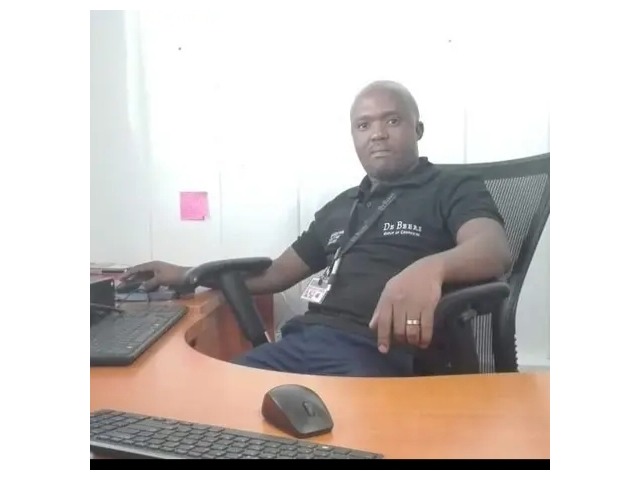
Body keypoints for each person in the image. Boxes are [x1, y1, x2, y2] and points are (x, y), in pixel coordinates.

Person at [122, 80, 512, 377]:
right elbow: (274, 274)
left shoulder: (451, 188)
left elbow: (493, 248)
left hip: (380, 354)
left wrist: (430, 268)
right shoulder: (341, 206)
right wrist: (185, 273)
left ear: (418, 129)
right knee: (214, 402)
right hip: (304, 343)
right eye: (363, 125)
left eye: (392, 120)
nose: (377, 133)